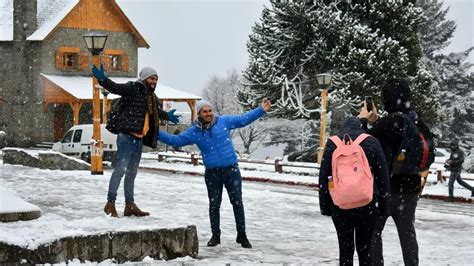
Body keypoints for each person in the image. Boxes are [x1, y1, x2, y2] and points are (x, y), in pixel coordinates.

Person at [157, 98, 272, 248]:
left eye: (210, 110)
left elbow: (244, 119)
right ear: (199, 113)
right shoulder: (194, 132)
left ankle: (242, 235)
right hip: (212, 173)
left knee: (237, 202)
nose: (208, 113)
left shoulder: (223, 121)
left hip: (231, 169)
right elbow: (176, 140)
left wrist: (261, 110)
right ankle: (215, 236)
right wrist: (155, 132)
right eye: (205, 111)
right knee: (214, 204)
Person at [91, 64, 180, 218]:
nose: (154, 81)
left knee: (131, 173)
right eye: (152, 78)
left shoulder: (150, 97)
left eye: (156, 79)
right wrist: (103, 79)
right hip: (126, 136)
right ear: (145, 78)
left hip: (138, 138)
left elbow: (155, 112)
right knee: (120, 170)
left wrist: (167, 116)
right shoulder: (133, 88)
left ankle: (129, 205)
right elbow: (116, 88)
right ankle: (110, 204)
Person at [358, 79, 427, 265]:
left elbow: (363, 144)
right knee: (407, 233)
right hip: (411, 189)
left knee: (373, 231)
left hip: (387, 188)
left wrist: (363, 120)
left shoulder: (390, 122)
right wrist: (378, 121)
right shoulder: (416, 120)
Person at [319, 117, 390, 266]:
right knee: (365, 249)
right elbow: (383, 176)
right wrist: (383, 206)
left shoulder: (333, 143)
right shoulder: (371, 142)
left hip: (340, 205)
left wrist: (325, 207)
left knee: (345, 249)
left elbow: (324, 177)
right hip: (367, 204)